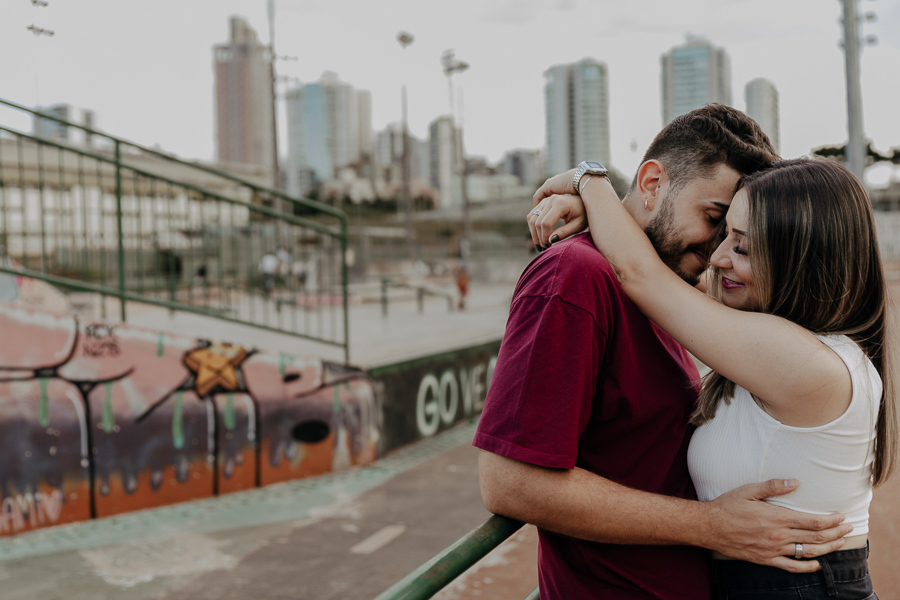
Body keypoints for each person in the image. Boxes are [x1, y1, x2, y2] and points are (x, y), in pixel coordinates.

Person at [474, 105, 852, 600]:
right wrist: (709, 525)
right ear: (652, 184)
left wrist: (593, 199)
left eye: (734, 233)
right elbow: (509, 483)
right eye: (713, 218)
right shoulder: (574, 275)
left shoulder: (671, 289)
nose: (718, 251)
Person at [529, 156, 895, 599]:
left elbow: (642, 275)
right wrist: (601, 212)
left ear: (800, 260)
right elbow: (659, 264)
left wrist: (588, 179)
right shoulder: (791, 342)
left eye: (742, 247)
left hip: (797, 587)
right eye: (724, 235)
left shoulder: (806, 360)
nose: (718, 258)